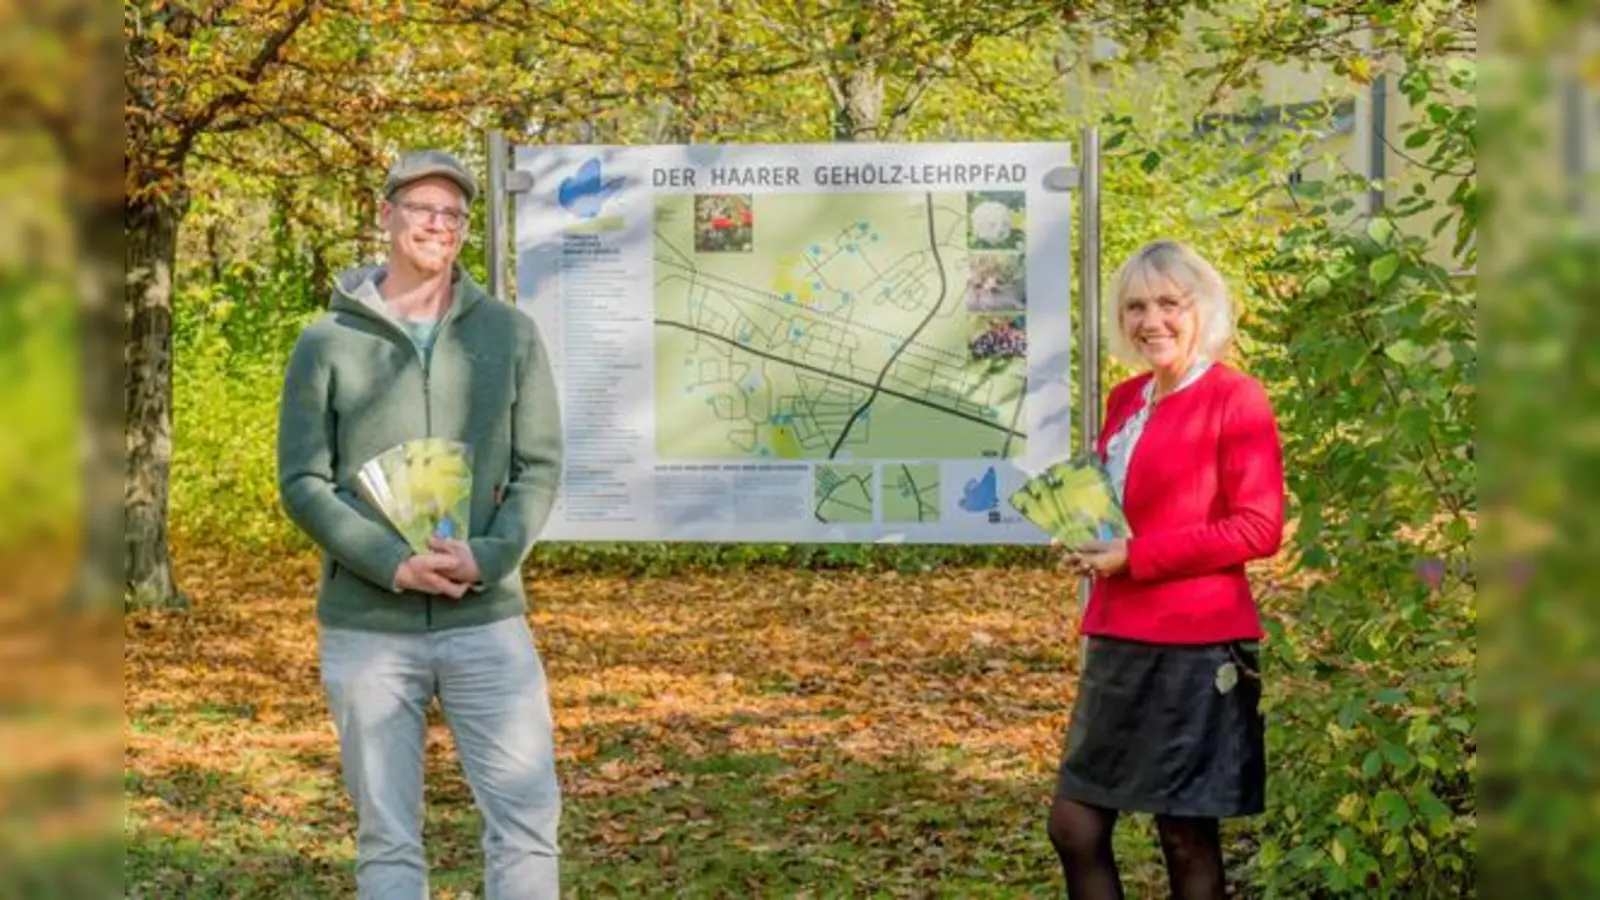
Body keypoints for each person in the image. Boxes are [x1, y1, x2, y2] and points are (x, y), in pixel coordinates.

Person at [276, 149, 565, 899]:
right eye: (421, 209)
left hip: (487, 619)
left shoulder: (511, 334)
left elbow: (540, 466)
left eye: (452, 215)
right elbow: (303, 482)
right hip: (368, 626)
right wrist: (391, 563)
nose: (436, 225)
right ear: (386, 216)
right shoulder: (326, 343)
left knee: (528, 821)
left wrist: (491, 557)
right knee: (388, 839)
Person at [1048, 240, 1285, 899]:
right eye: (1134, 307)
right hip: (1119, 638)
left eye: (1168, 304)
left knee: (1184, 837)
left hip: (1196, 644)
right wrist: (1087, 538)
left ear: (1201, 309)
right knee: (1074, 827)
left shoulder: (1237, 398)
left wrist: (1136, 556)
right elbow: (1127, 513)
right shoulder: (1127, 399)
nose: (1151, 320)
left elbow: (1258, 528)